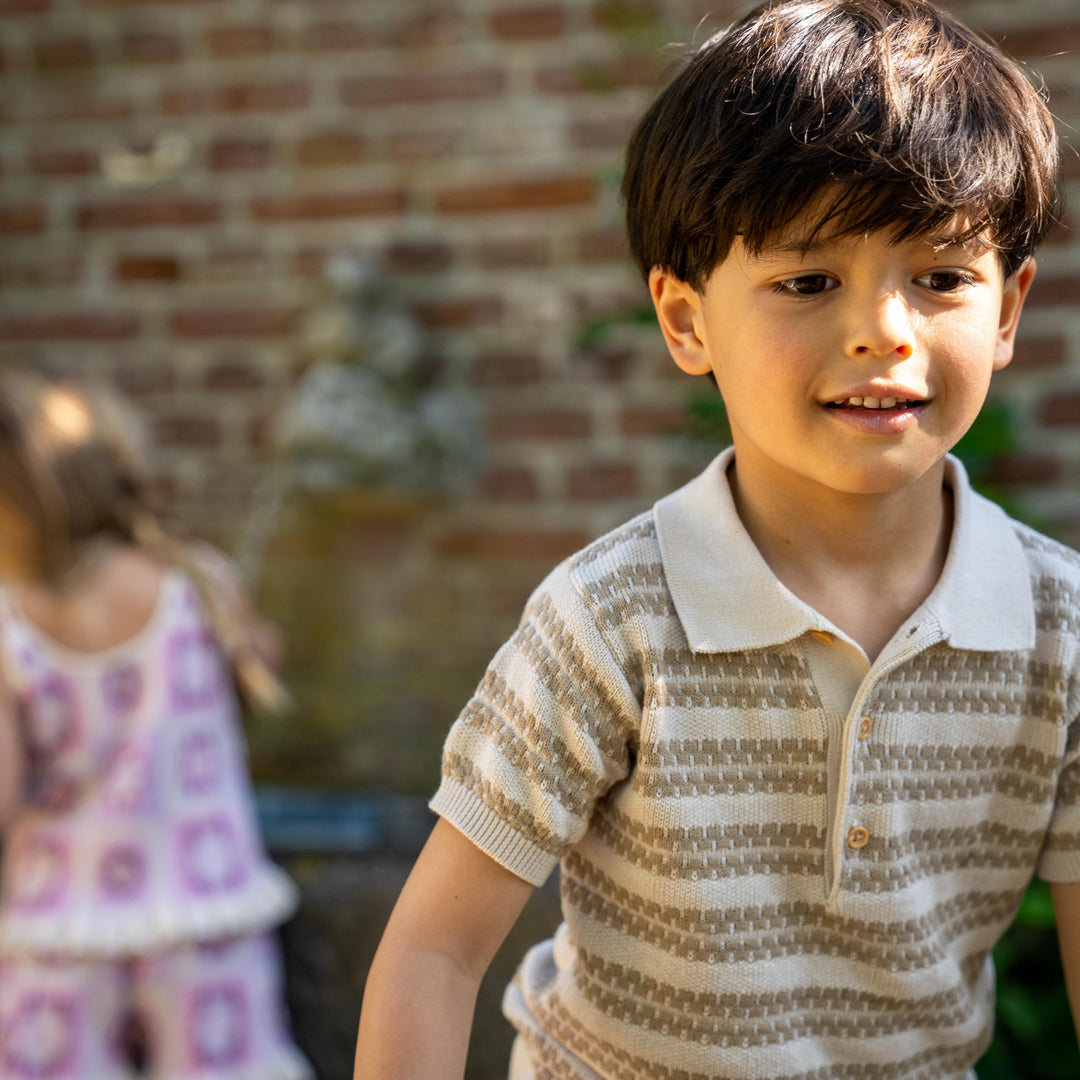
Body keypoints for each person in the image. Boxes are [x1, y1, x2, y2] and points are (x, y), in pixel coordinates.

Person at [354, 1, 1080, 1077]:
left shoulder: (1061, 631)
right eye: (807, 280)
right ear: (688, 321)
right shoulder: (611, 619)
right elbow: (433, 950)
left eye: (939, 276)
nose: (884, 327)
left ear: (1009, 311)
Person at [0, 367, 313, 1080]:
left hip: (62, 917)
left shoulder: (9, 622)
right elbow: (259, 669)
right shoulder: (194, 582)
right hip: (203, 903)